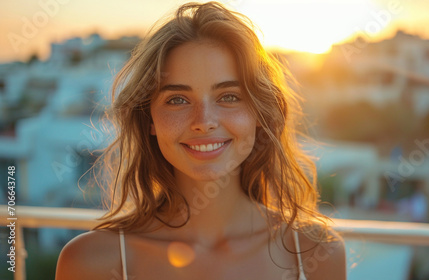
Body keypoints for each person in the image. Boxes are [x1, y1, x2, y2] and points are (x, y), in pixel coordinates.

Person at [55, 2, 346, 279]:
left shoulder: (316, 252)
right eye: (178, 99)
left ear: (260, 114)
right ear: (150, 120)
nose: (204, 121)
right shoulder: (90, 262)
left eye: (229, 97)